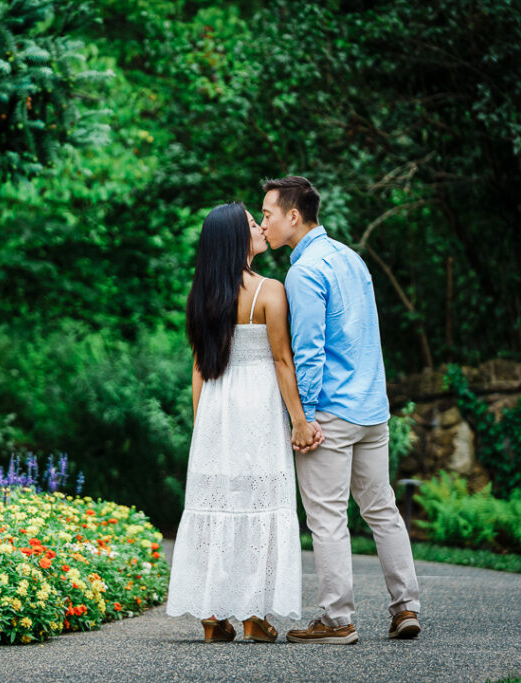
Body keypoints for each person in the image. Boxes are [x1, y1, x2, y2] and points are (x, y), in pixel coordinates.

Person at [259, 176, 421, 644]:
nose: (264, 222)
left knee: (327, 517)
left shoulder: (304, 271)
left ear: (293, 215)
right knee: (383, 509)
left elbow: (309, 351)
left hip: (330, 413)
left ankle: (336, 621)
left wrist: (302, 417)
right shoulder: (351, 258)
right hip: (372, 409)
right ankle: (405, 607)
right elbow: (367, 337)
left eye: (268, 214)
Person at [166, 202, 320, 643]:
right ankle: (254, 614)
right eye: (254, 224)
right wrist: (299, 420)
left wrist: (202, 427)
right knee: (259, 503)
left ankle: (213, 617)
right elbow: (281, 359)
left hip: (216, 405)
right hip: (258, 406)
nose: (261, 228)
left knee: (217, 504)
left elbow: (199, 367)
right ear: (237, 238)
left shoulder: (203, 294)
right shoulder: (269, 290)